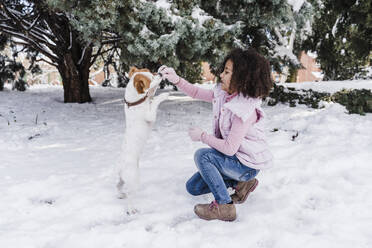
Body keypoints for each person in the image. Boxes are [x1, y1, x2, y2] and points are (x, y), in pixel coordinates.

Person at [158, 48, 273, 221]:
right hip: (234, 160)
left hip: (245, 166)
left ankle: (224, 206)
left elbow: (229, 148)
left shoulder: (244, 110)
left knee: (203, 156)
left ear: (243, 77)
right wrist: (177, 80)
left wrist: (202, 136)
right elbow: (196, 92)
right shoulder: (223, 94)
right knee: (193, 187)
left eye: (227, 72)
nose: (221, 75)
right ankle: (240, 185)